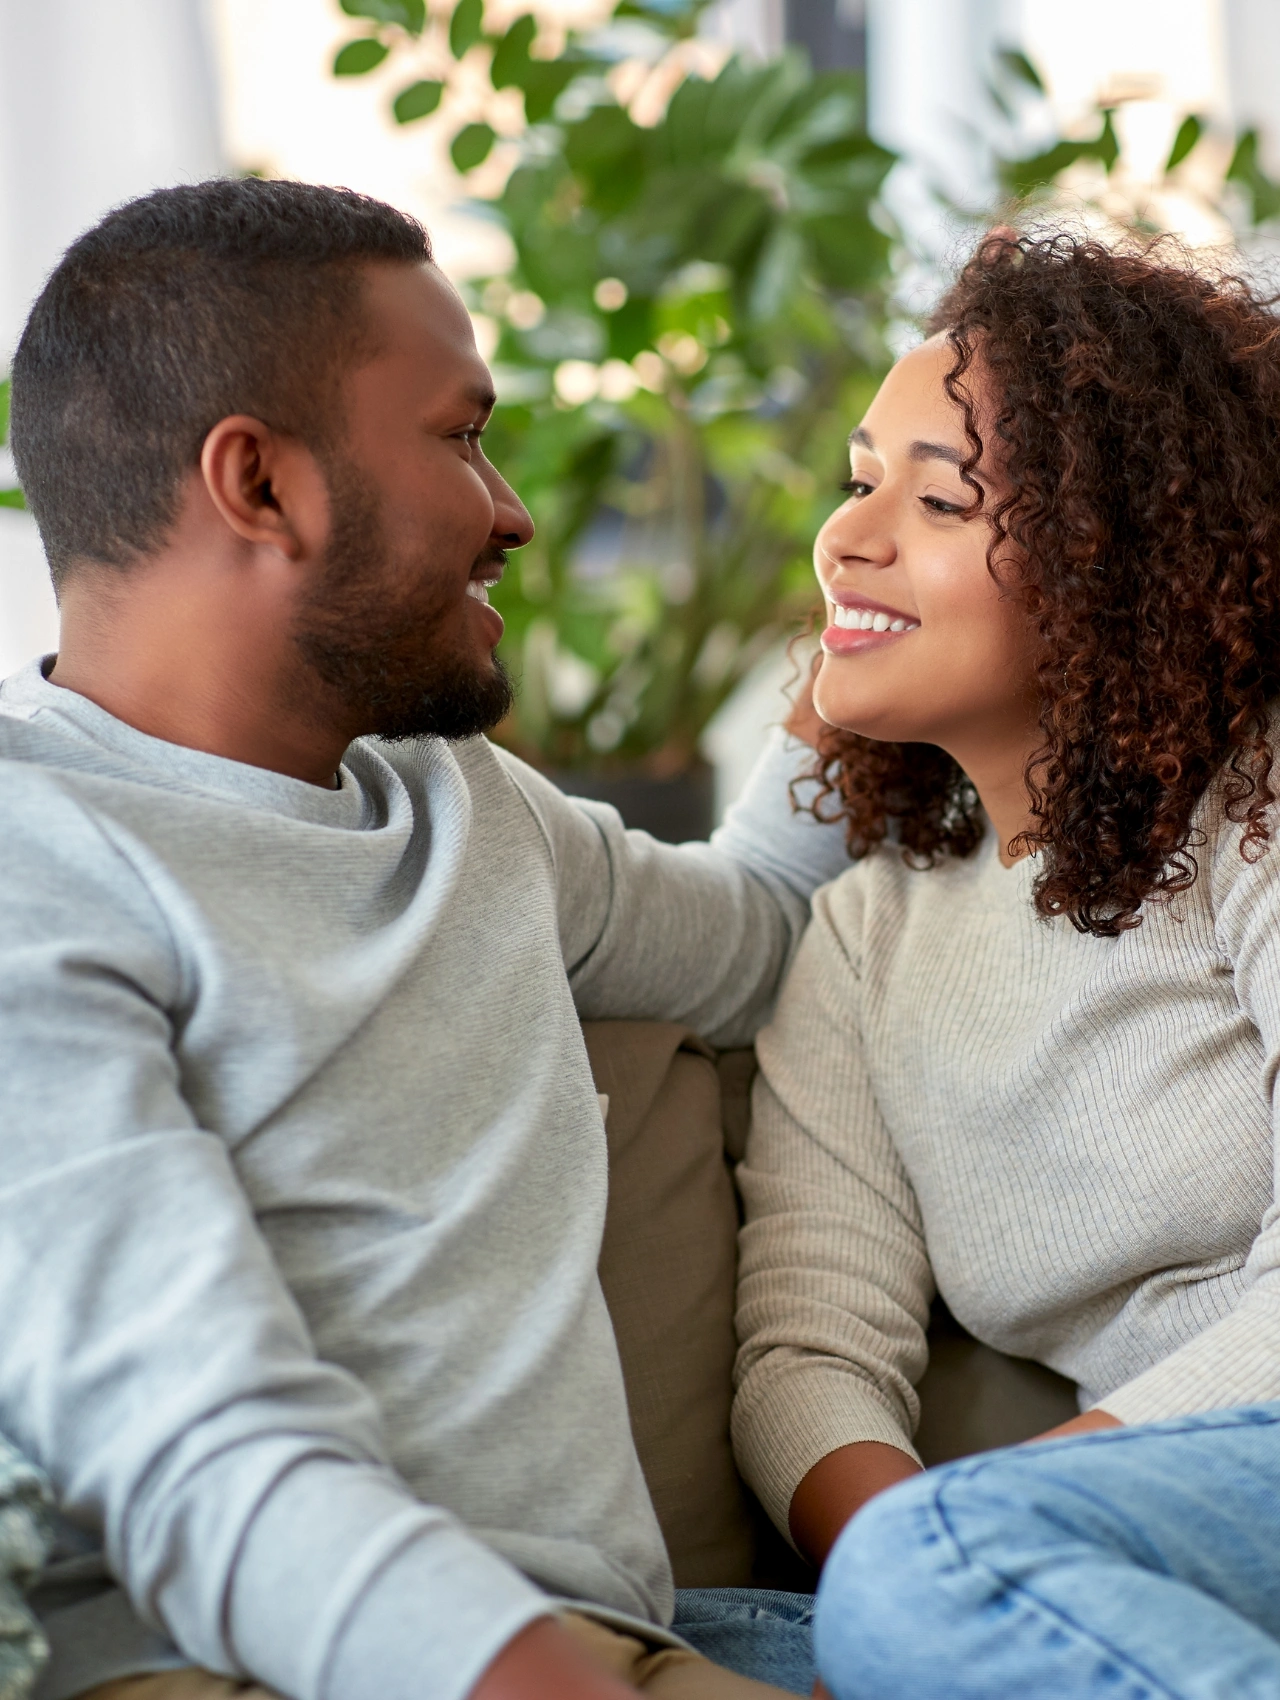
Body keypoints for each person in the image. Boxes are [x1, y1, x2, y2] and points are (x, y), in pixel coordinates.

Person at [0, 178, 846, 1700]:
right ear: (259, 484)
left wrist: (869, 618)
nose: (513, 511)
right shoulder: (32, 858)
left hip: (621, 1649)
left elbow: (771, 928)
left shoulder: (466, 808)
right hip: (220, 1665)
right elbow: (197, 1452)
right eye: (462, 435)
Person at [731, 231, 1280, 1697]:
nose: (846, 540)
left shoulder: (1257, 814)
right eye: (859, 482)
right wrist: (919, 1536)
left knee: (925, 1588)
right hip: (1109, 1537)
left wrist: (984, 1526)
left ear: (1122, 552)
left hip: (1182, 1487)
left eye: (940, 499)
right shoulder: (865, 938)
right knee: (704, 1632)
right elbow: (809, 1348)